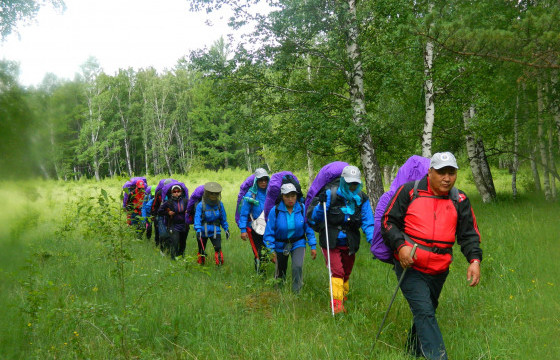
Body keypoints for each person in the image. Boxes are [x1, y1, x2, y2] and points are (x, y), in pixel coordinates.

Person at [381, 152, 482, 360]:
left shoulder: (460, 199)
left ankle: (412, 351)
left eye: (451, 173)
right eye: (441, 172)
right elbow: (388, 221)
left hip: (439, 269)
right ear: (430, 172)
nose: (447, 178)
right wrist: (400, 246)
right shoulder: (410, 191)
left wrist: (474, 260)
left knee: (427, 310)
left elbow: (469, 234)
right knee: (425, 312)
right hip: (410, 266)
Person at [310, 165, 375, 314]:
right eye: (349, 183)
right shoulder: (329, 195)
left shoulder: (362, 199)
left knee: (346, 272)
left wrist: (373, 242)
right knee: (337, 271)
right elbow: (316, 218)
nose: (352, 186)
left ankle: (343, 297)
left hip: (350, 241)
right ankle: (337, 305)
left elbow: (368, 222)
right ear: (343, 181)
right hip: (331, 240)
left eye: (355, 183)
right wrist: (321, 205)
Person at [263, 183, 317, 293]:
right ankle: (278, 291)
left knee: (297, 266)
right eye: (287, 196)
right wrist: (271, 250)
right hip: (280, 245)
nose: (290, 199)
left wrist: (313, 245)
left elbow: (308, 228)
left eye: (293, 196)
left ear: (296, 196)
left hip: (298, 242)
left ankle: (296, 292)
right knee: (280, 270)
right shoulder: (275, 211)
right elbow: (269, 233)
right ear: (282, 196)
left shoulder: (302, 208)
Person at [239, 168, 270, 272]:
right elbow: (243, 214)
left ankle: (264, 272)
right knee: (259, 253)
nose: (263, 182)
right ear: (256, 181)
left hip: (268, 227)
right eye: (261, 180)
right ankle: (260, 276)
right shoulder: (250, 195)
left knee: (268, 251)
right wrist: (243, 230)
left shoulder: (271, 193)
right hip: (254, 228)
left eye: (265, 179)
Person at [194, 182, 230, 265]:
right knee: (201, 249)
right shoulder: (200, 205)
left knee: (218, 248)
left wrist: (226, 229)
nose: (214, 195)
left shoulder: (220, 205)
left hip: (215, 230)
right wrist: (198, 230)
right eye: (211, 193)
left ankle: (219, 266)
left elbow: (223, 218)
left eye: (216, 193)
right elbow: (197, 218)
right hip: (202, 231)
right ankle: (201, 265)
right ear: (207, 193)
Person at [158, 184, 189, 258]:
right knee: (174, 243)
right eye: (174, 191)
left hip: (184, 225)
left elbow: (193, 210)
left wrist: (188, 211)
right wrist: (168, 213)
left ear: (181, 192)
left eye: (178, 191)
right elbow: (159, 211)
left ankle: (181, 257)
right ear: (172, 193)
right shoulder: (168, 202)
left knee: (182, 243)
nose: (176, 193)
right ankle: (173, 258)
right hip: (173, 225)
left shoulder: (186, 201)